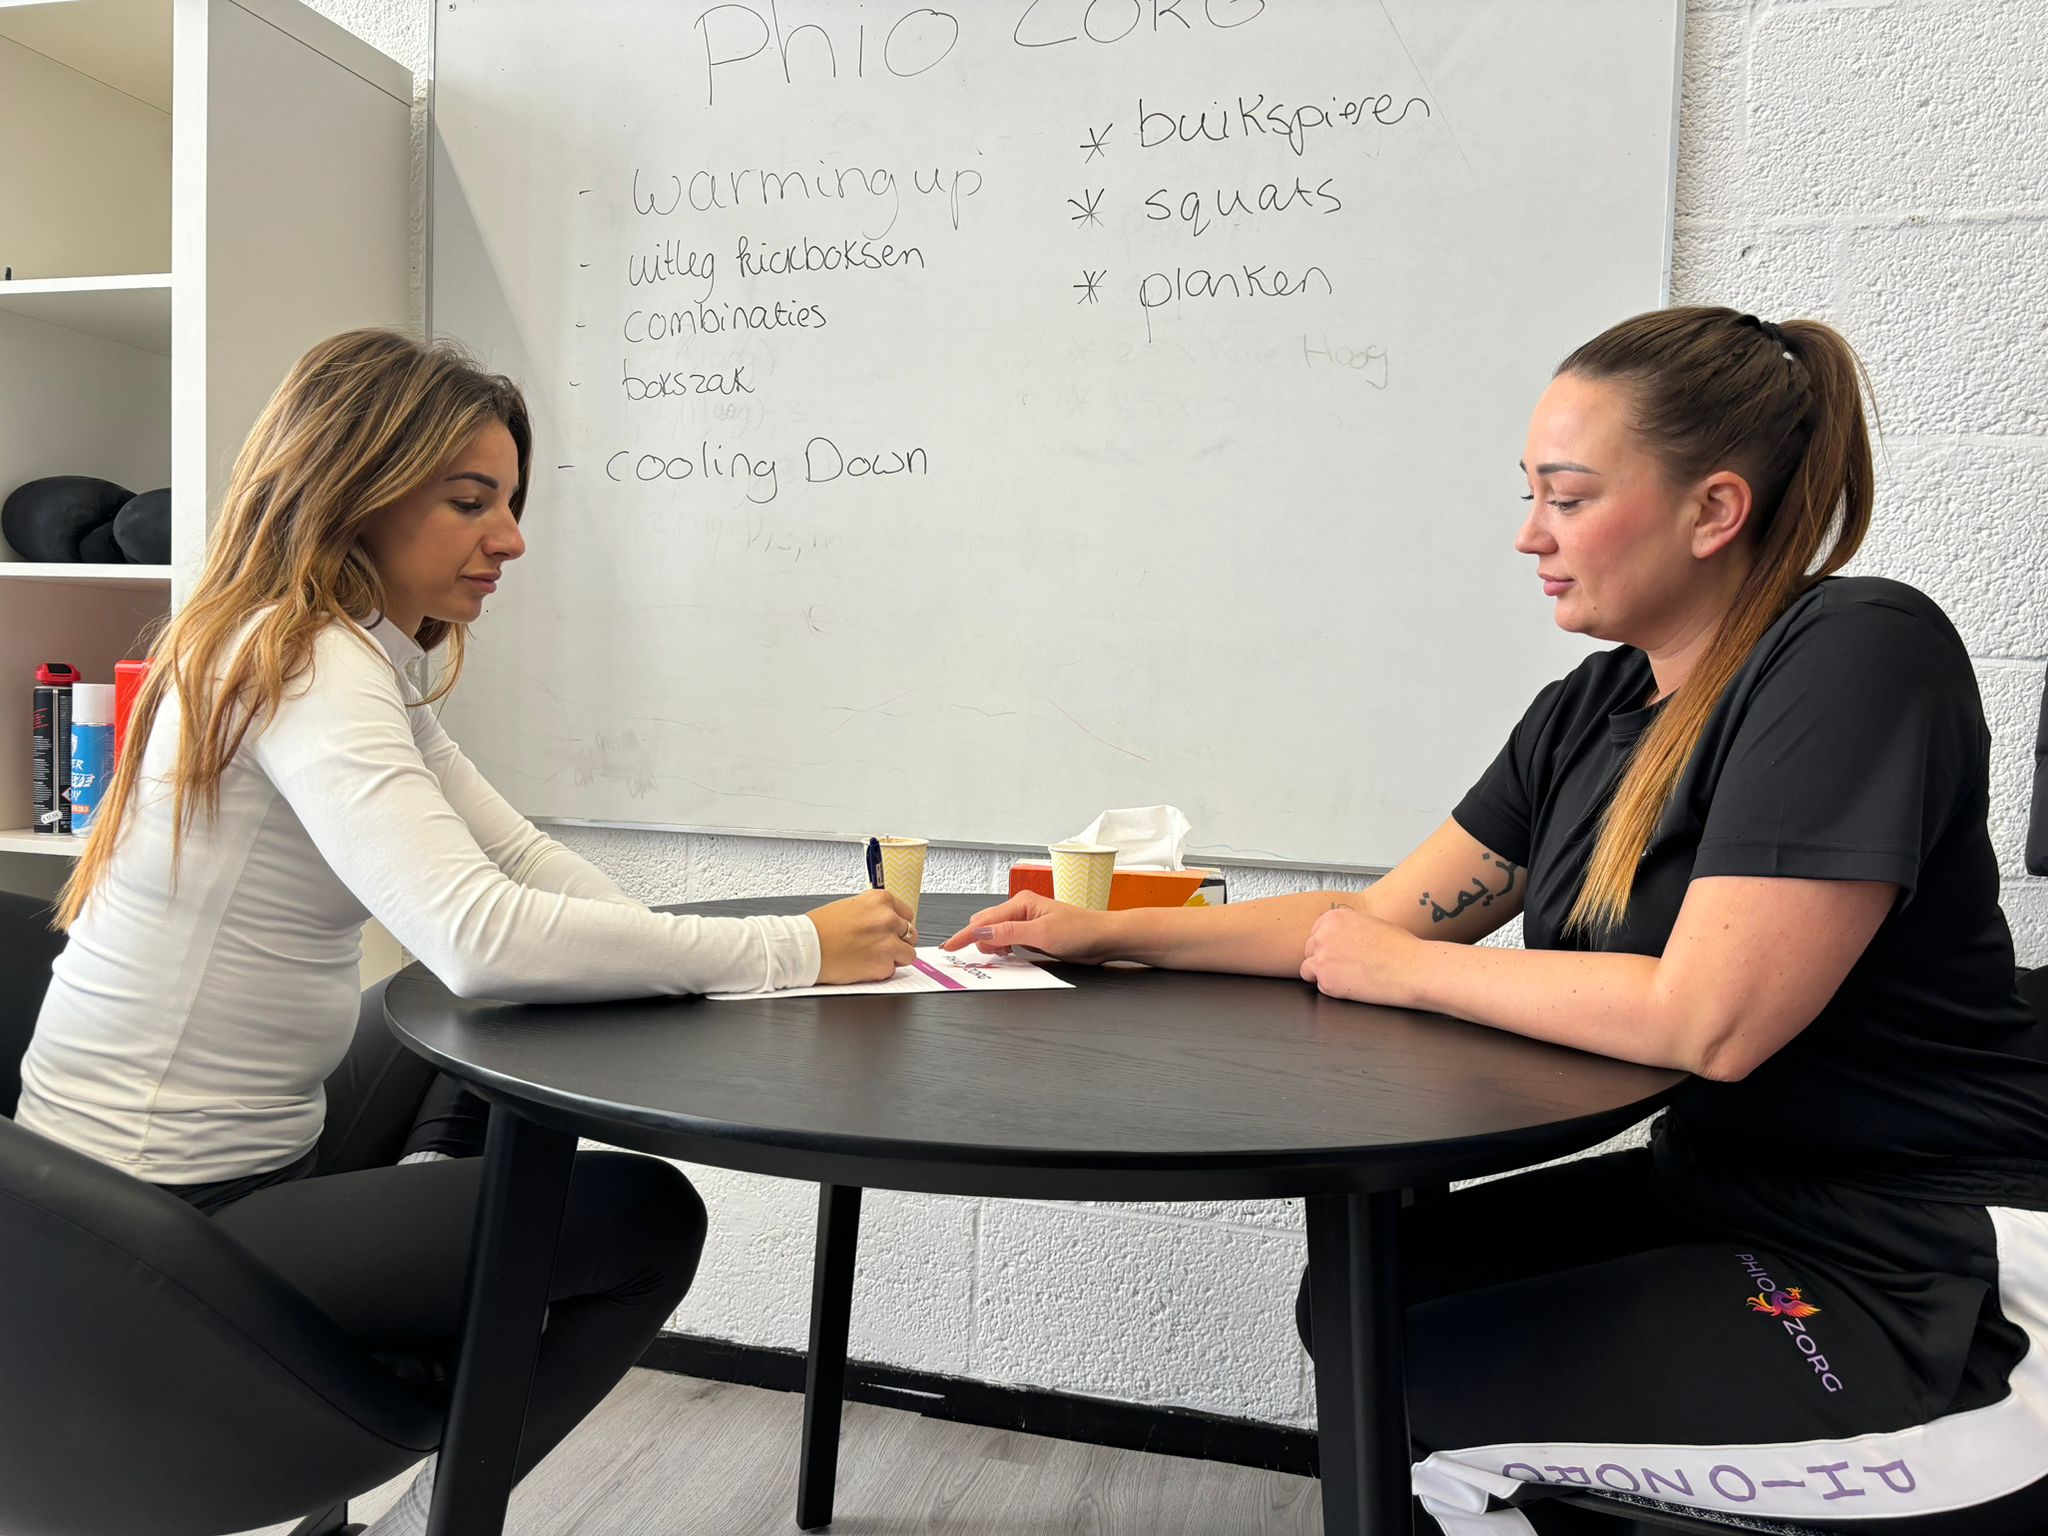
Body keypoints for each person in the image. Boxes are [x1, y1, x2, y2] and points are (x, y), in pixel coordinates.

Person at [945, 306, 2048, 1535]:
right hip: (1724, 1194)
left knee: (1417, 1374)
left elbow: (1709, 1020)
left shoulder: (1854, 653)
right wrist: (1107, 933)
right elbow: (1369, 921)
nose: (1529, 535)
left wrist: (1403, 971)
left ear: (1712, 511)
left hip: (1932, 1265)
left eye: (1565, 498)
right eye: (1530, 496)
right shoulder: (1588, 710)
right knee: (1366, 1299)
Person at [14, 328, 915, 1536]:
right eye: (469, 500)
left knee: (466, 1024)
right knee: (645, 1222)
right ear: (356, 487)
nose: (511, 538)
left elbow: (517, 860)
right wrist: (791, 950)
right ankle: (430, 1503)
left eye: (509, 501)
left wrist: (724, 965)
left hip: (179, 1168)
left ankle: (429, 1279)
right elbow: (479, 935)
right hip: (163, 1216)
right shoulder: (307, 661)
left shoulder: (328, 649)